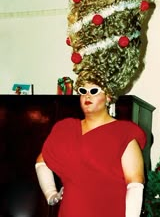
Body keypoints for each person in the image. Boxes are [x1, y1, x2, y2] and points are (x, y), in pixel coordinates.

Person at [35, 79, 146, 217]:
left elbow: (135, 185)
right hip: (70, 211)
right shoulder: (65, 128)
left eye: (94, 91)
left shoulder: (124, 133)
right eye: (83, 91)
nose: (87, 96)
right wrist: (51, 193)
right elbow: (42, 161)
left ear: (109, 96)